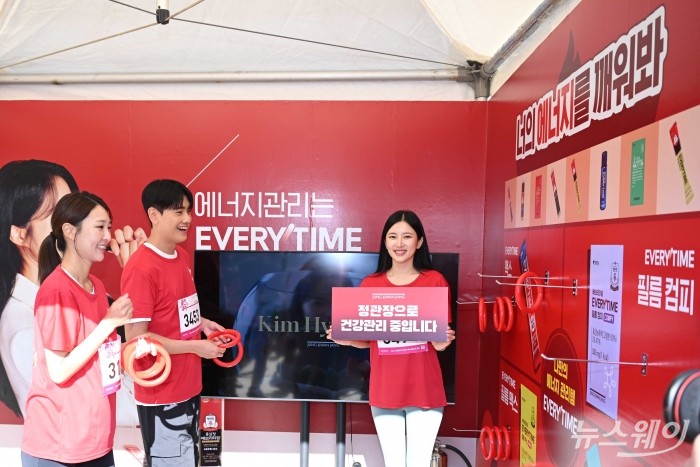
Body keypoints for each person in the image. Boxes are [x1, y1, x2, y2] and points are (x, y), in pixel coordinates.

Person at [0, 159, 144, 424]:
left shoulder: (84, 292)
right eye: (58, 216)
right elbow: (120, 409)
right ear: (19, 235)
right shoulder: (24, 328)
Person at [328, 210, 456, 467]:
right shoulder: (370, 284)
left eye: (407, 236)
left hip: (425, 389)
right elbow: (369, 339)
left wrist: (443, 342)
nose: (399, 243)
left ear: (419, 241)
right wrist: (347, 339)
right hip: (385, 389)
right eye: (393, 236)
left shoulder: (434, 281)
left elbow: (440, 339)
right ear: (385, 242)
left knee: (418, 463)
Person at [20, 192, 134, 466]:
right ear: (70, 231)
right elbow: (58, 371)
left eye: (109, 226)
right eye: (99, 226)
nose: (108, 235)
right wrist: (108, 322)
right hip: (59, 448)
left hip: (96, 442)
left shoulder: (97, 285)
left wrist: (127, 354)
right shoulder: (56, 290)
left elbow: (99, 352)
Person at [121, 179, 227, 467]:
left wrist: (202, 323)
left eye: (189, 211)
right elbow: (136, 339)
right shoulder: (141, 269)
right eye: (178, 212)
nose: (187, 219)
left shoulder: (180, 256)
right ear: (154, 215)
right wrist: (196, 346)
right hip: (162, 396)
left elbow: (174, 311)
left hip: (188, 386)